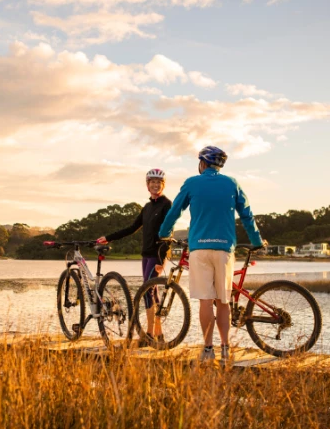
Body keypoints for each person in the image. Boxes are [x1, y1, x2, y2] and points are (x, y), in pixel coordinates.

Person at [158, 146, 264, 363]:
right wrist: (256, 241)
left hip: (200, 248)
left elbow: (174, 211)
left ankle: (208, 350)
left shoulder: (192, 183)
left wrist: (163, 233)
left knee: (205, 301)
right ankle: (225, 348)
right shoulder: (232, 183)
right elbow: (247, 215)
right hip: (225, 248)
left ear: (202, 163)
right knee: (223, 301)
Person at [97, 169, 171, 344]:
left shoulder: (167, 204)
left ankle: (150, 334)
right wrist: (109, 237)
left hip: (157, 254)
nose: (155, 185)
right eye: (152, 182)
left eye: (158, 182)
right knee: (151, 292)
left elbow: (169, 231)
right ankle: (158, 335)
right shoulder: (147, 207)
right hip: (146, 254)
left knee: (148, 291)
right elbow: (131, 228)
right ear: (147, 185)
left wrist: (163, 259)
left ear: (163, 185)